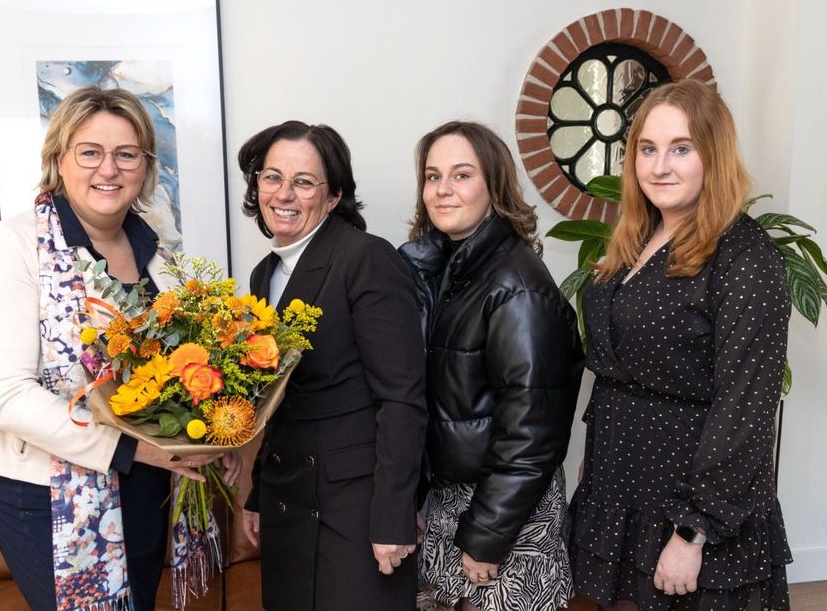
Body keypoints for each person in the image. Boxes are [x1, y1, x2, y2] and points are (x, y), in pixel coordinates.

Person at [0, 86, 240, 611]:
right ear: (59, 159)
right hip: (41, 484)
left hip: (144, 473)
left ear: (145, 166)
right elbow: (4, 395)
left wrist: (217, 435)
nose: (109, 169)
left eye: (126, 154)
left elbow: (187, 362)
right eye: (90, 151)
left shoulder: (161, 254)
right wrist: (141, 450)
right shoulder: (10, 246)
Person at [568, 79, 793, 610]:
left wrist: (694, 532)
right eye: (647, 149)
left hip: (687, 501)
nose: (659, 165)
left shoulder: (747, 260)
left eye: (681, 149)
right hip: (620, 486)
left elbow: (746, 409)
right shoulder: (636, 237)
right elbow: (621, 370)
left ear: (713, 156)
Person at [237, 120, 428, 611]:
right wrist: (259, 492)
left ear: (333, 195)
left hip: (355, 506)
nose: (284, 193)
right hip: (288, 495)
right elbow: (279, 400)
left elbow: (402, 398)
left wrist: (393, 516)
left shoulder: (365, 259)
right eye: (271, 177)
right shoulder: (266, 272)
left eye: (303, 182)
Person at [398, 121, 585, 611]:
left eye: (461, 175)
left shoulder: (516, 285)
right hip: (451, 502)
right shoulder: (443, 271)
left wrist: (487, 533)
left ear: (494, 185)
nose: (442, 189)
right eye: (433, 176)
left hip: (502, 512)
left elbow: (532, 429)